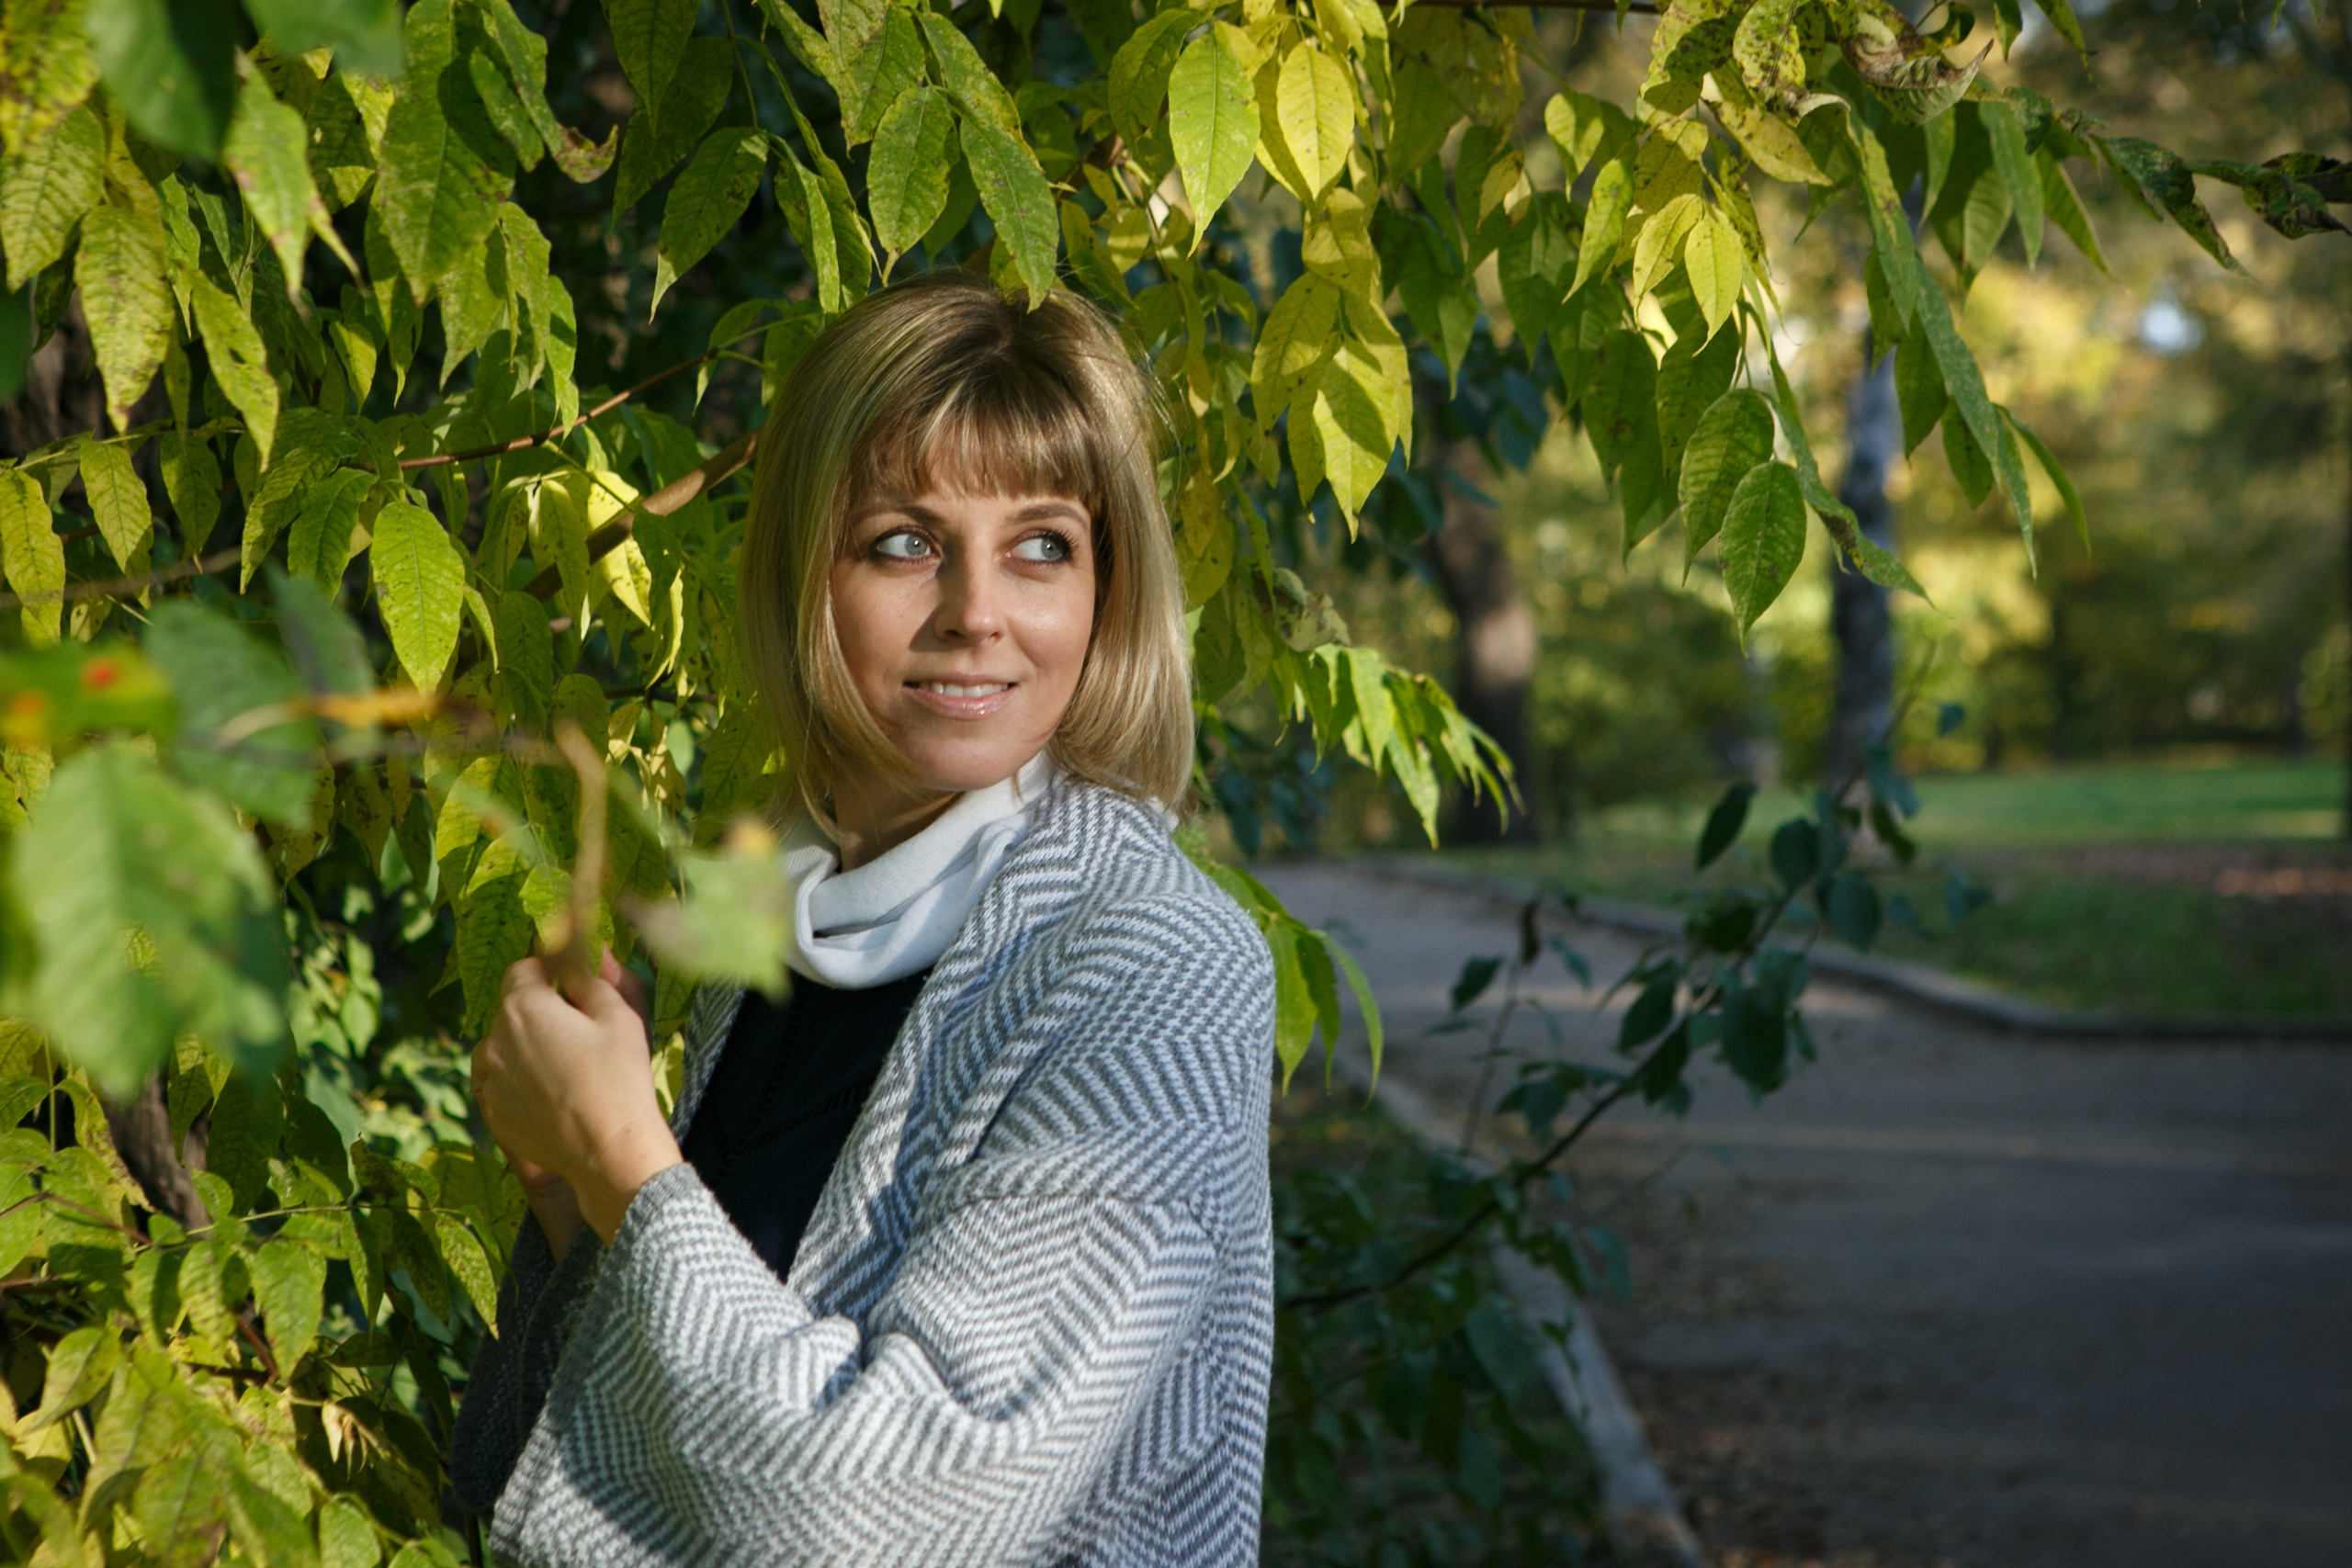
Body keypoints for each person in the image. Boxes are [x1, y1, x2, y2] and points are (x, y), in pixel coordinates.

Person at [448, 272, 1276, 1565]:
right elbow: (595, 1464)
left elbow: (886, 1513)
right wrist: (568, 1196)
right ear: (803, 574)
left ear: (1107, 589)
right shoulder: (782, 923)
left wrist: (623, 1154)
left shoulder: (1157, 965)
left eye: (1043, 544)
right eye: (904, 542)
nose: (977, 613)